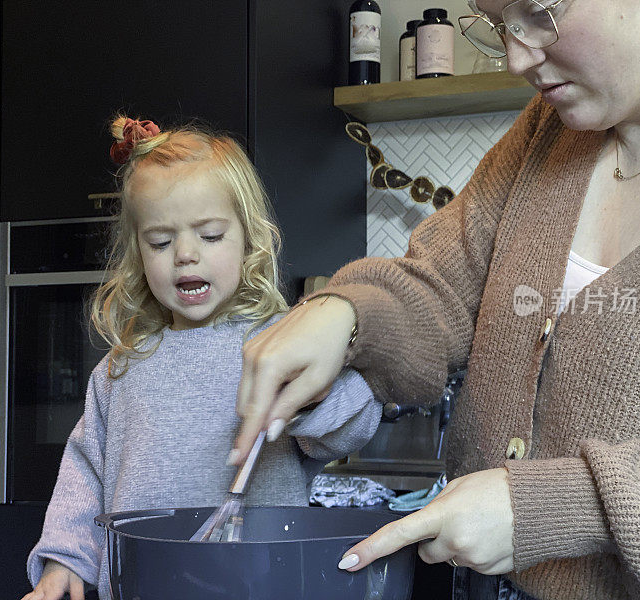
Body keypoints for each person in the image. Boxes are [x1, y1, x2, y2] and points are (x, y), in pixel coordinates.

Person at [231, 1, 640, 598]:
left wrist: (547, 509)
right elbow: (443, 282)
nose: (518, 57)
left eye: (538, 12)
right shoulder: (548, 131)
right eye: (498, 25)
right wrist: (345, 315)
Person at [22, 117, 381, 600]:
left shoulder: (280, 343)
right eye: (161, 242)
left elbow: (356, 425)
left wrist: (304, 400)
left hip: (260, 586)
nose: (186, 255)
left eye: (210, 235)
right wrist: (64, 560)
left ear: (249, 238)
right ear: (137, 253)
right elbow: (84, 472)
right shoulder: (119, 368)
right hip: (140, 586)